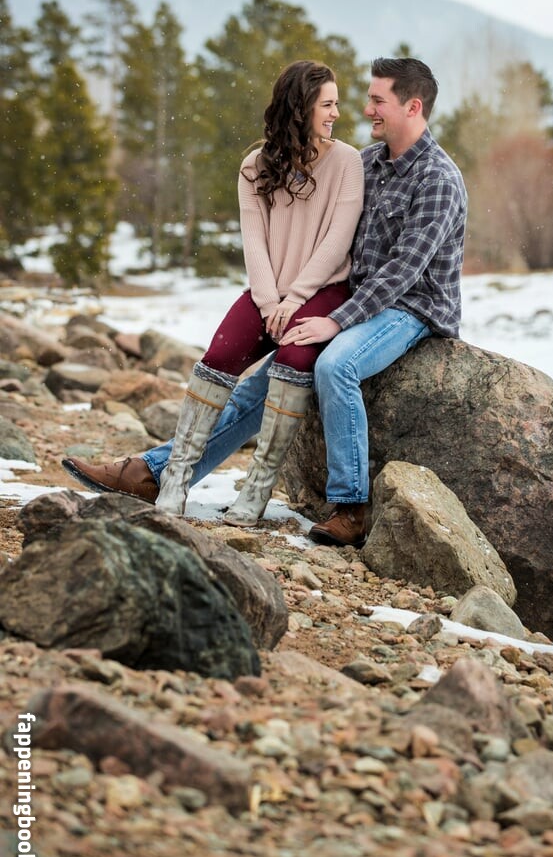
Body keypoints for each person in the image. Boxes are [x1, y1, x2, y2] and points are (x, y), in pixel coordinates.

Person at [63, 57, 467, 546]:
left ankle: (351, 507)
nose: (366, 110)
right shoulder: (369, 163)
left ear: (413, 106)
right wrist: (290, 298)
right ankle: (156, 472)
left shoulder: (438, 179)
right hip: (351, 299)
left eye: (377, 100)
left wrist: (335, 320)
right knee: (260, 386)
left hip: (410, 309)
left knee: (334, 366)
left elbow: (403, 271)